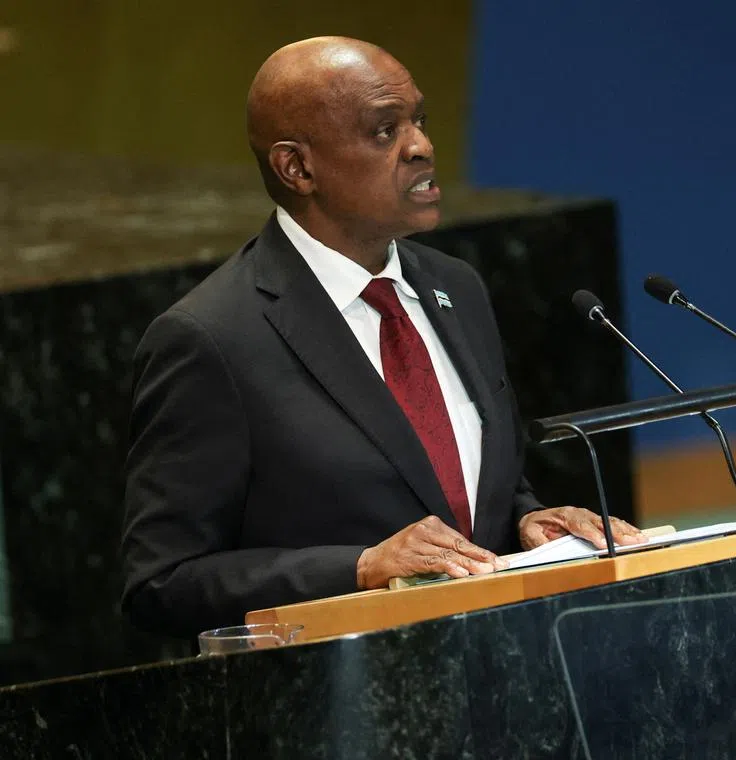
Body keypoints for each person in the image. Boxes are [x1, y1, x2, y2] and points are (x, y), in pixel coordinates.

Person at [120, 36, 643, 638]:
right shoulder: (210, 339)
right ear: (298, 167)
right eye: (383, 130)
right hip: (341, 705)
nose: (421, 147)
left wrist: (527, 522)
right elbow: (161, 584)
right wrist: (360, 567)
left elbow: (472, 489)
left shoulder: (456, 288)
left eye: (418, 119)